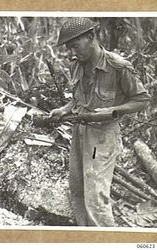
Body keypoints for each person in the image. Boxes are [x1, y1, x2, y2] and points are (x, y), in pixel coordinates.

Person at [50, 17, 150, 226]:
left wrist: (111, 111)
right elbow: (78, 100)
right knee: (77, 189)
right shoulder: (76, 66)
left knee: (95, 196)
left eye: (75, 46)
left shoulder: (117, 66)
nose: (72, 52)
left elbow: (142, 100)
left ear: (91, 37)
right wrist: (63, 110)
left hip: (102, 137)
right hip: (79, 133)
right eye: (69, 48)